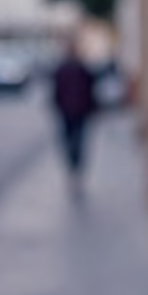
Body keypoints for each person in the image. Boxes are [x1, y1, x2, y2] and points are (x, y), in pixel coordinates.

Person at [53, 40, 96, 189]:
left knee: (77, 142)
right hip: (68, 111)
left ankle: (75, 168)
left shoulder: (82, 69)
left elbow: (90, 90)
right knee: (70, 141)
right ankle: (73, 167)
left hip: (79, 111)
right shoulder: (63, 69)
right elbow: (56, 91)